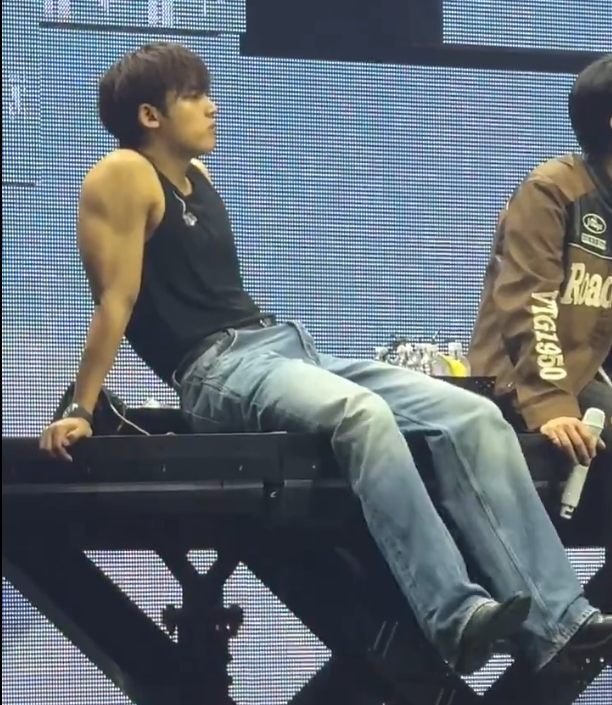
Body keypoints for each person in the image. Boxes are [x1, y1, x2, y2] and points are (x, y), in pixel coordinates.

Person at [39, 43, 611, 675]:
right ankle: (454, 615)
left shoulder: (195, 176)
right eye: (194, 97)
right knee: (361, 415)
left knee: (471, 416)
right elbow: (115, 300)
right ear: (150, 116)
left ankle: (560, 618)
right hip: (216, 369)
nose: (212, 107)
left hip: (282, 344)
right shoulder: (122, 172)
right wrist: (80, 408)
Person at [469, 55, 611, 530]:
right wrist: (551, 405)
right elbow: (531, 304)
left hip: (590, 377)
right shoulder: (553, 189)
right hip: (520, 382)